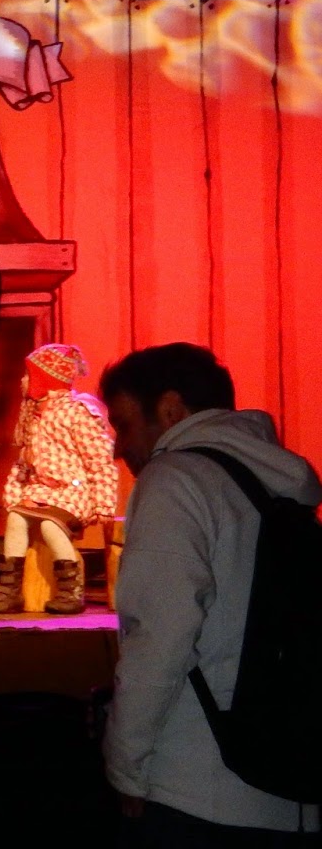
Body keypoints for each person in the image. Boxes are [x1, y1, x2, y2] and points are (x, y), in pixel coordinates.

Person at [100, 342, 322, 843]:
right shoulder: (273, 484)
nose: (117, 448)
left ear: (171, 409)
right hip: (289, 783)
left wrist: (124, 765)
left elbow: (160, 637)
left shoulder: (175, 479)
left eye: (124, 425)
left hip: (197, 786)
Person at [0, 343, 118, 616]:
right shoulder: (32, 414)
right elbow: (24, 461)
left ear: (44, 381)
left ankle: (70, 590)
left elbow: (99, 459)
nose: (23, 381)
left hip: (71, 492)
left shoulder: (76, 412)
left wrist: (103, 504)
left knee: (50, 526)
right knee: (15, 519)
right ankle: (10, 590)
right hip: (38, 491)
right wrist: (14, 495)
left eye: (28, 376)